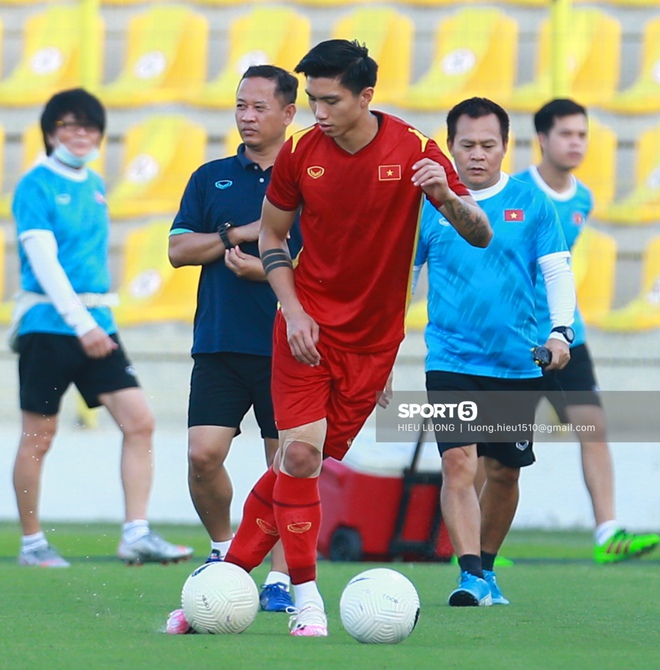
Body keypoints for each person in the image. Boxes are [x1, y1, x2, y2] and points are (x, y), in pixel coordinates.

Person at [222, 39, 492, 637]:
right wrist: (291, 310)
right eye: (312, 99)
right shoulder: (299, 156)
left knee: (298, 473)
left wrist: (445, 195)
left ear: (365, 96)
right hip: (306, 330)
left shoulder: (415, 150)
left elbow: (481, 234)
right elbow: (271, 239)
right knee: (297, 453)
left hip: (372, 346)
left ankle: (226, 576)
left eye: (330, 100)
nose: (318, 112)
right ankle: (306, 597)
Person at [11, 88, 193, 567]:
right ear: (51, 132)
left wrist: (95, 324)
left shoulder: (95, 183)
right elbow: (44, 262)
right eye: (70, 125)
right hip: (49, 326)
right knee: (39, 436)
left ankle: (136, 533)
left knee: (140, 421)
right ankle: (32, 543)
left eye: (89, 126)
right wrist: (79, 322)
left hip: (98, 323)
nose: (81, 134)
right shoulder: (36, 184)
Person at [415, 97, 576, 606]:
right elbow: (401, 279)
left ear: (505, 147)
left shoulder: (532, 204)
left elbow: (556, 270)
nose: (478, 155)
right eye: (467, 145)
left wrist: (560, 332)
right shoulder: (426, 206)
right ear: (450, 147)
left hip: (516, 362)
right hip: (450, 361)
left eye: (488, 145)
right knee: (459, 465)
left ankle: (487, 568)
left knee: (504, 472)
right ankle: (468, 577)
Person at [165, 65, 302, 628]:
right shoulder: (211, 176)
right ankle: (224, 551)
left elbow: (327, 266)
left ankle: (279, 576)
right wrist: (235, 235)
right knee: (202, 457)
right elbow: (177, 250)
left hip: (289, 344)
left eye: (258, 107)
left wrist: (269, 270)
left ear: (289, 114)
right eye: (240, 106)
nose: (246, 116)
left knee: (284, 464)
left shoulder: (311, 179)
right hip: (219, 342)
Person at [515, 98, 660, 563]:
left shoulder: (583, 198)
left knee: (593, 426)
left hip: (567, 334)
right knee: (497, 444)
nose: (576, 142)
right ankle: (471, 547)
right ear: (543, 138)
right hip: (516, 338)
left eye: (582, 135)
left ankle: (607, 533)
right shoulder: (516, 191)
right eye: (567, 134)